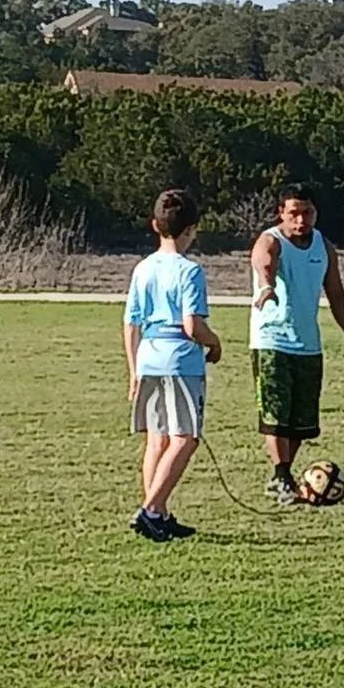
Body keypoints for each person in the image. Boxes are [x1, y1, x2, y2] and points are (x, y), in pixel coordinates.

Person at [250, 183, 344, 505]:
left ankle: (280, 476)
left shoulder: (323, 248)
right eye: (293, 213)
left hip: (308, 344)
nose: (301, 220)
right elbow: (263, 260)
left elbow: (336, 294)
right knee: (275, 413)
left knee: (301, 422)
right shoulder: (271, 240)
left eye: (307, 212)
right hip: (271, 340)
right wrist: (268, 285)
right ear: (280, 213)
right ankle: (283, 475)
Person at [124, 189, 221, 542]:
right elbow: (192, 324)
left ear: (155, 225)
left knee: (157, 439)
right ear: (192, 229)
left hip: (148, 354)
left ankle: (159, 512)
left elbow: (131, 322)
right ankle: (151, 509)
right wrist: (215, 342)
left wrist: (133, 369)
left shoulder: (143, 268)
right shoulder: (189, 270)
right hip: (179, 358)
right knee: (185, 438)